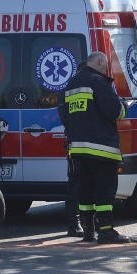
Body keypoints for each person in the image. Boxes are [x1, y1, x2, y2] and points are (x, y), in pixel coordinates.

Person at [60, 51, 131, 244]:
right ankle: (106, 231)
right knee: (104, 189)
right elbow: (114, 110)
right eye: (105, 65)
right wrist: (124, 105)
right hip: (101, 148)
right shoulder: (98, 82)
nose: (105, 69)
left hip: (77, 149)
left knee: (85, 190)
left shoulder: (71, 85)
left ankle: (88, 232)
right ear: (100, 62)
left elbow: (64, 116)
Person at [58, 60, 86, 237]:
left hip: (75, 143)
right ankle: (74, 225)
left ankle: (78, 224)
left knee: (78, 184)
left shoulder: (66, 90)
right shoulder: (76, 90)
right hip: (78, 143)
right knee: (76, 185)